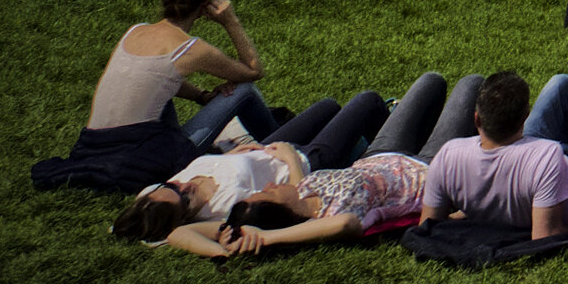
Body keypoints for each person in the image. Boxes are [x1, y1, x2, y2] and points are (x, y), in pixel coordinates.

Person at [44, 0, 278, 196]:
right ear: (205, 5)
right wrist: (230, 21)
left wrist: (201, 96)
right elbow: (253, 71)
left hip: (94, 146)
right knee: (245, 89)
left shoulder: (135, 31)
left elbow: (156, 77)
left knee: (158, 93)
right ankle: (280, 144)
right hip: (144, 157)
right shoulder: (190, 48)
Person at [111, 93, 392, 242]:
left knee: (328, 106)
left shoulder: (155, 198)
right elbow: (288, 204)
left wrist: (228, 156)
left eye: (171, 185)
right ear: (183, 216)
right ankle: (390, 147)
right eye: (184, 195)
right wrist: (291, 160)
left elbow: (126, 225)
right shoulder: (223, 208)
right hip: (305, 162)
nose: (184, 184)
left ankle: (357, 145)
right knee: (367, 101)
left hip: (267, 147)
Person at [422, 66, 568, 237]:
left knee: (560, 81)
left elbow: (428, 225)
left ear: (477, 119)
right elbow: (545, 236)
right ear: (525, 117)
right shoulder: (548, 155)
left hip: (536, 153)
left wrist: (467, 212)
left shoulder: (448, 155)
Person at [161, 147, 431, 258]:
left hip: (378, 153)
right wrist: (266, 238)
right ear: (282, 211)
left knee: (426, 83)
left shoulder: (302, 192)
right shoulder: (327, 218)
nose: (269, 185)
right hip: (425, 166)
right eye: (268, 193)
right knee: (451, 85)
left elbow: (177, 233)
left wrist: (223, 249)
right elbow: (346, 224)